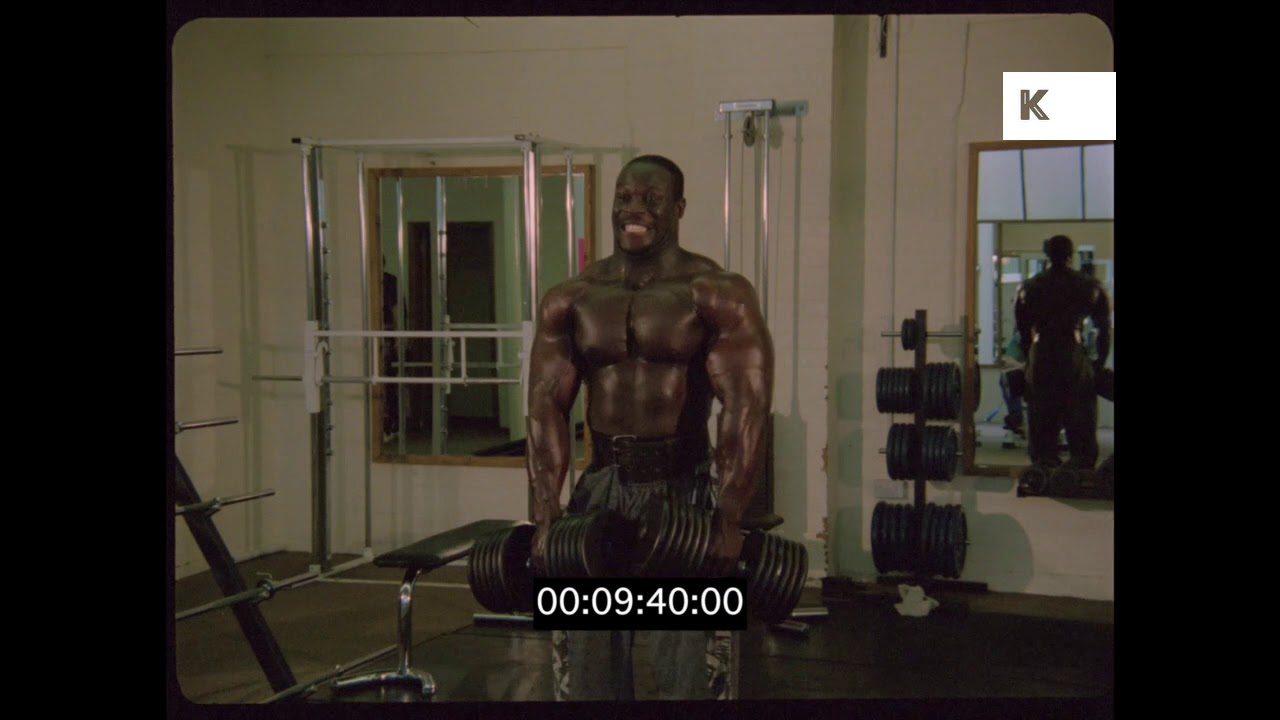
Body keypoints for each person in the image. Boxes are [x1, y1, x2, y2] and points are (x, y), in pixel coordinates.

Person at [524, 154, 775, 701]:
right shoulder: (573, 297)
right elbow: (544, 406)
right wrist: (545, 512)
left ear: (679, 207)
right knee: (585, 671)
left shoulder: (717, 292)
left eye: (651, 199)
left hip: (681, 487)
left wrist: (730, 514)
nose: (633, 209)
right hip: (600, 488)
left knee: (691, 672)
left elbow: (746, 408)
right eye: (624, 197)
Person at [1014, 235, 1111, 470]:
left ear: (1047, 254)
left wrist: (1030, 359)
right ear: (1071, 254)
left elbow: (1023, 331)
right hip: (1073, 353)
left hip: (1043, 353)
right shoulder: (1089, 286)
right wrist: (1099, 362)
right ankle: (1081, 468)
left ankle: (1044, 466)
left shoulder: (1030, 287)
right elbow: (1104, 330)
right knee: (1081, 418)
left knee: (1042, 416)